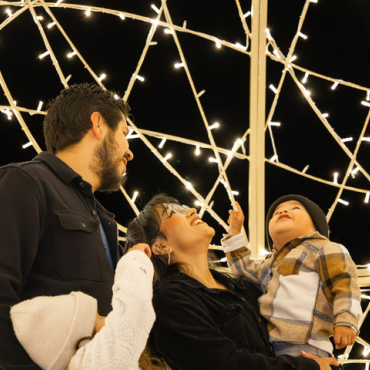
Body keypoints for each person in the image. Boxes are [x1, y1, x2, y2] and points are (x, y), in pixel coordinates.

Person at [0, 83, 134, 369]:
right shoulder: (26, 182)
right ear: (98, 124)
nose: (129, 151)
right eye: (124, 133)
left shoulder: (104, 218)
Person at [125, 193, 341, 370]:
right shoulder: (170, 300)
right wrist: (307, 367)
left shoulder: (244, 288)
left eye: (183, 206)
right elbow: (225, 364)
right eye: (173, 212)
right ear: (161, 246)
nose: (191, 210)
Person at [222, 195, 362, 359]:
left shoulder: (325, 248)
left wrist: (346, 320)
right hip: (267, 348)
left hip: (305, 347)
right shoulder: (270, 263)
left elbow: (344, 285)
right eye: (276, 213)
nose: (283, 210)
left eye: (295, 208)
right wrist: (234, 233)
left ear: (316, 224)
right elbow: (244, 277)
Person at [10, 244, 155, 370]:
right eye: (97, 316)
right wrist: (135, 259)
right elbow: (134, 312)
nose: (105, 317)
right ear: (81, 339)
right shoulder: (99, 364)